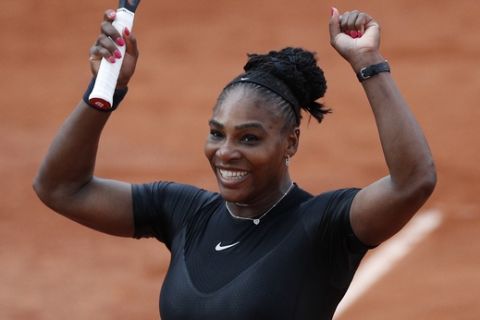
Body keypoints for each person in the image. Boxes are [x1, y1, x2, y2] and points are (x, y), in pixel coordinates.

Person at [33, 7, 436, 320]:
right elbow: (61, 188)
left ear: (290, 143)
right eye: (216, 133)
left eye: (249, 138)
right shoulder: (185, 213)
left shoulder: (323, 226)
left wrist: (368, 62)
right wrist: (105, 91)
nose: (225, 151)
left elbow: (412, 182)